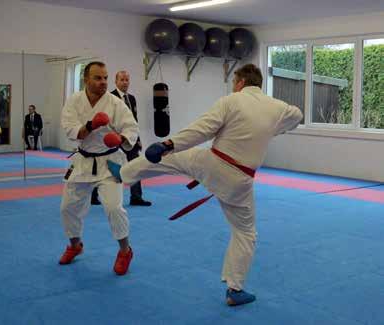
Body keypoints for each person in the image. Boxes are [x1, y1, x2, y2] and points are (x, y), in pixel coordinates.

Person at [115, 64, 303, 305]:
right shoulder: (278, 108)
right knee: (245, 233)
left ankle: (123, 174)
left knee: (169, 160)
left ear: (241, 82)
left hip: (211, 164)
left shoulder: (231, 100)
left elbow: (202, 129)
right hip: (240, 182)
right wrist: (276, 127)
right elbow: (297, 115)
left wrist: (167, 144)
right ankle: (235, 290)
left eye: (235, 82)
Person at [59, 61, 139, 276]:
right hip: (83, 161)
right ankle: (75, 245)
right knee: (68, 207)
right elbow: (70, 129)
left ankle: (125, 251)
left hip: (110, 161)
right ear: (86, 80)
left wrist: (120, 138)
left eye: (105, 77)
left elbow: (131, 128)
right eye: (98, 78)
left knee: (114, 207)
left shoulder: (115, 103)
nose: (103, 82)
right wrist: (91, 125)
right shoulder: (74, 101)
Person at [91, 71, 152, 207]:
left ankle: (136, 197)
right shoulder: (109, 98)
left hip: (129, 139)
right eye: (122, 80)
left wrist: (137, 138)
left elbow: (134, 122)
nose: (125, 82)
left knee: (136, 167)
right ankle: (93, 195)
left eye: (127, 80)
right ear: (116, 81)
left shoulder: (132, 98)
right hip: (113, 139)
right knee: (106, 168)